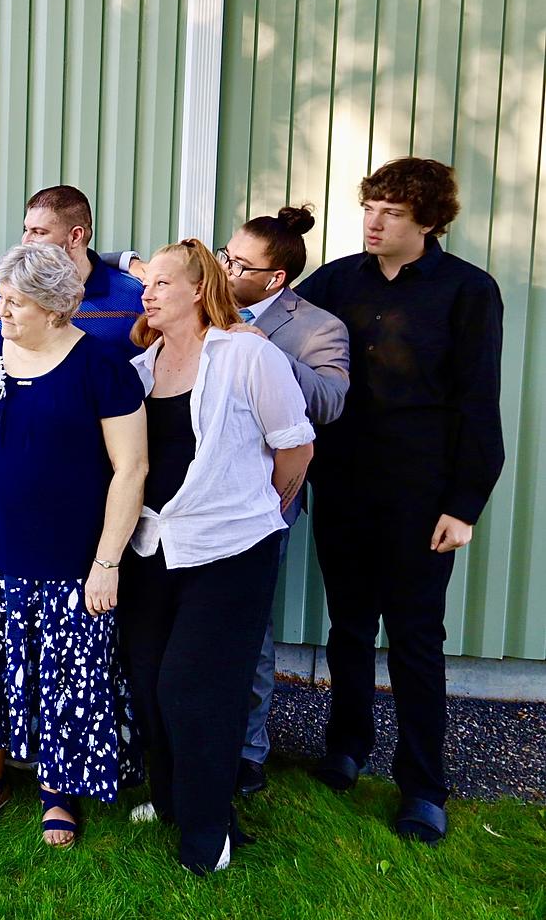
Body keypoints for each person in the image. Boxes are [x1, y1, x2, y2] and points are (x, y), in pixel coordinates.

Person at [296, 158, 504, 844]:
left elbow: (478, 403)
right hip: (343, 486)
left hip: (421, 497)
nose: (374, 222)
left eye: (392, 211)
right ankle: (346, 748)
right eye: (370, 207)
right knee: (349, 628)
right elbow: (264, 311)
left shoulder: (467, 291)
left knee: (415, 639)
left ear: (429, 221)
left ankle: (423, 787)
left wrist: (464, 505)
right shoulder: (336, 282)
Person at [0, 244, 147, 846]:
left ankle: (60, 787)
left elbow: (131, 469)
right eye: (0, 299)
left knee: (67, 676)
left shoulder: (102, 369)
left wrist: (107, 561)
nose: (0, 311)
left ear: (57, 308)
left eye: (15, 303)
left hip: (70, 559)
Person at [117, 240, 315, 874]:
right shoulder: (141, 368)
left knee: (193, 692)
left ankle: (210, 833)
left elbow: (295, 447)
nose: (148, 292)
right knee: (150, 684)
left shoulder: (247, 355)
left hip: (231, 552)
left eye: (162, 282)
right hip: (153, 547)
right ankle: (173, 797)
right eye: (146, 282)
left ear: (199, 289)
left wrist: (262, 510)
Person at [216, 205, 350, 797]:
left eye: (239, 265)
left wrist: (265, 351)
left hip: (262, 499)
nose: (226, 270)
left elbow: (330, 402)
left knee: (249, 626)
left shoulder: (318, 327)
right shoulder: (205, 303)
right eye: (224, 256)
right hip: (193, 492)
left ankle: (248, 752)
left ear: (275, 279)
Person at [0, 186, 145, 360]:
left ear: (75, 236)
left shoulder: (132, 296)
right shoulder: (0, 296)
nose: (26, 241)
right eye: (26, 230)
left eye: (39, 232)